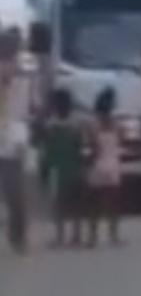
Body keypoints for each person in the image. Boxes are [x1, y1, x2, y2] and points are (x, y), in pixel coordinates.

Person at [39, 89, 85, 249]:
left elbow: (47, 151)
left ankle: (60, 237)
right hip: (74, 168)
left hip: (59, 171)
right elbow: (80, 148)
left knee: (60, 205)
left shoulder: (51, 126)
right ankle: (76, 235)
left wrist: (44, 170)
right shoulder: (76, 124)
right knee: (75, 205)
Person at [0, 30, 31, 254]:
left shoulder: (22, 80)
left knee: (15, 192)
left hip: (12, 140)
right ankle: (17, 236)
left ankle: (17, 236)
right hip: (11, 138)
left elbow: (24, 111)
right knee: (14, 192)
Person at [85, 88, 124, 248]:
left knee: (94, 204)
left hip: (98, 165)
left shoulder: (93, 125)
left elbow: (94, 149)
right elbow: (120, 141)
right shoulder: (116, 124)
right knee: (113, 204)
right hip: (113, 165)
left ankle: (92, 238)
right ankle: (114, 236)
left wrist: (88, 164)